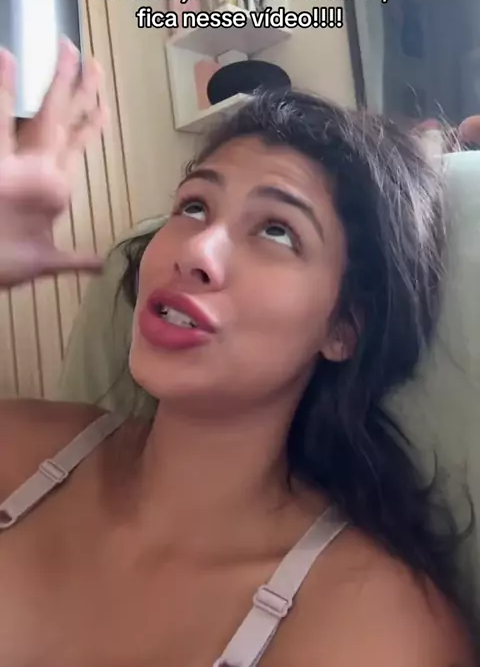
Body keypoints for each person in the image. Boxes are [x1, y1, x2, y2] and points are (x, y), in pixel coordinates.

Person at [0, 39, 476, 667]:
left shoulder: (377, 629)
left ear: (343, 328)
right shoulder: (20, 451)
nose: (195, 251)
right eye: (194, 207)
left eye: (277, 230)